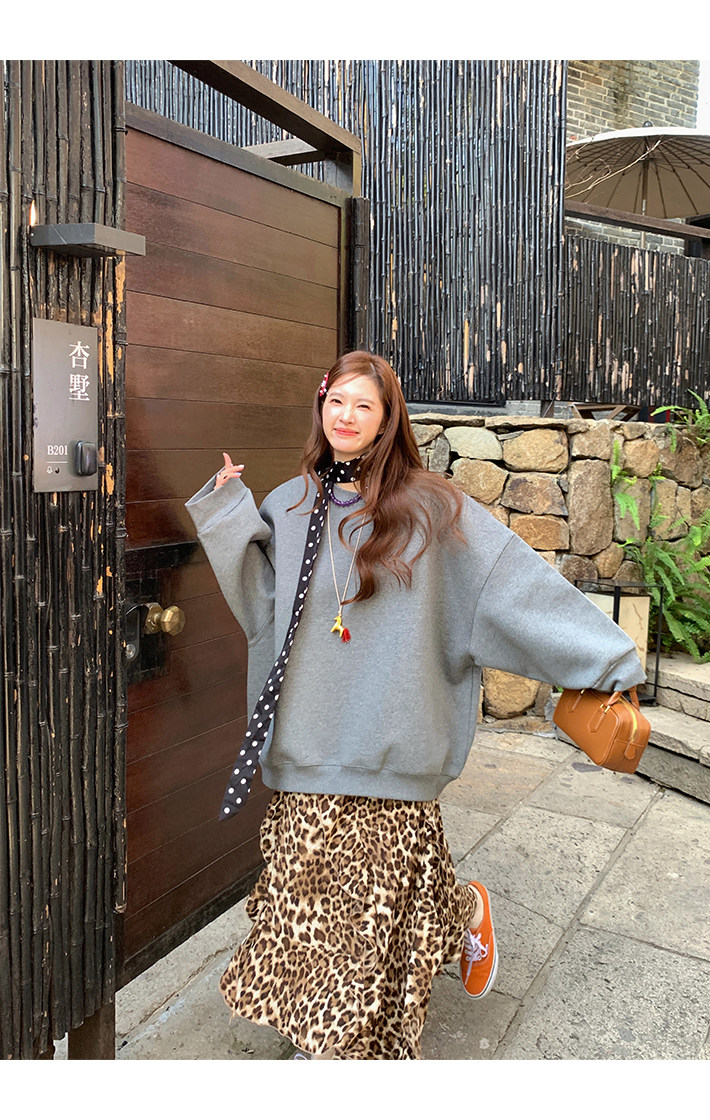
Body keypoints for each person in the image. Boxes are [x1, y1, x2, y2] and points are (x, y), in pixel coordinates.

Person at [185, 350, 645, 1060]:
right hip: (307, 744)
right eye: (337, 401)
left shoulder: (432, 508)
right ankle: (454, 918)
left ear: (386, 420)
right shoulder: (289, 503)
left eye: (364, 405)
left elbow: (511, 588)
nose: (347, 416)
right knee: (311, 900)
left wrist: (606, 659)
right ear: (321, 405)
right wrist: (225, 510)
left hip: (393, 743)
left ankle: (344, 1045)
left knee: (371, 920)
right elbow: (262, 609)